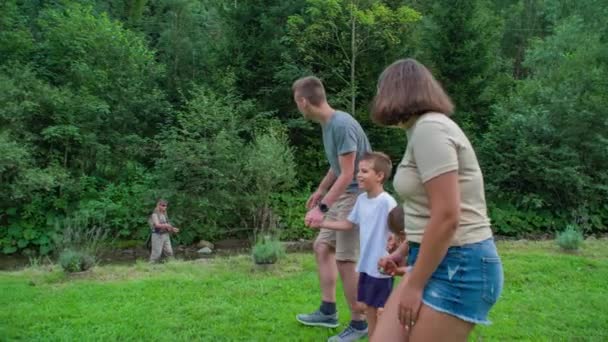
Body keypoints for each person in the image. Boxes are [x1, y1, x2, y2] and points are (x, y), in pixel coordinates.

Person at [370, 58, 504, 342]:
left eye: (380, 90)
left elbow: (447, 215)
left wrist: (414, 285)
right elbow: (428, 212)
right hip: (434, 258)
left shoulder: (431, 129)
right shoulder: (420, 130)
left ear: (396, 90)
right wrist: (403, 252)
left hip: (461, 264)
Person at [293, 76, 372, 341]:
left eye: (297, 103)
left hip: (355, 196)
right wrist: (320, 190)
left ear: (303, 101)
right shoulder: (329, 125)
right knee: (322, 247)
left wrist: (322, 208)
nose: (298, 108)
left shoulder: (341, 124)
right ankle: (328, 311)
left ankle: (360, 323)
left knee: (346, 259)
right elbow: (337, 166)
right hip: (342, 195)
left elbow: (349, 174)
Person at [311, 152, 397, 339]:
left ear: (380, 176)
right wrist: (322, 223)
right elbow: (348, 224)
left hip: (381, 268)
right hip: (365, 266)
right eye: (358, 171)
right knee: (367, 308)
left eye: (364, 171)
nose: (358, 175)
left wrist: (395, 246)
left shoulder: (387, 202)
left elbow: (399, 230)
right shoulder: (362, 200)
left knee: (377, 311)